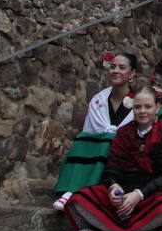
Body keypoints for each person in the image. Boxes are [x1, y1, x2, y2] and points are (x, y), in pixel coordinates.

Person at [61, 86, 162, 231]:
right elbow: (112, 168)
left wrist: (138, 195)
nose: (142, 111)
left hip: (148, 195)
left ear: (157, 108)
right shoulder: (124, 133)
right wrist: (113, 188)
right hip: (122, 193)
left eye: (147, 107)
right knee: (78, 200)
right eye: (137, 107)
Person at [53, 51, 137, 204]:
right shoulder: (98, 100)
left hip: (126, 152)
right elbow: (90, 130)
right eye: (113, 67)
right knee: (83, 140)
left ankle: (83, 191)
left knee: (107, 142)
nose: (115, 71)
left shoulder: (138, 103)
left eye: (121, 67)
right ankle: (71, 189)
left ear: (132, 73)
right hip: (98, 147)